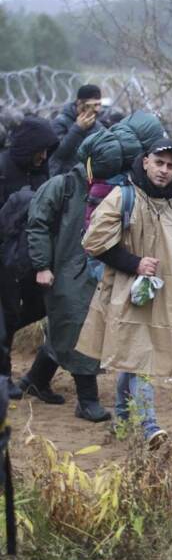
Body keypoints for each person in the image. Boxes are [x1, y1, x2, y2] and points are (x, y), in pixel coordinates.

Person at [77, 142, 172, 449]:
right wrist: (134, 263)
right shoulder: (123, 197)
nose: (164, 170)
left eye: (170, 166)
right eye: (159, 162)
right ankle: (149, 425)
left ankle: (122, 421)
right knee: (141, 355)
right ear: (145, 161)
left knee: (135, 355)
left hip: (168, 295)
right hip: (129, 292)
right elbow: (93, 241)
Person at [22, 140, 117, 421]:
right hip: (62, 270)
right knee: (78, 326)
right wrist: (41, 265)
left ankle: (35, 380)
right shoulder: (62, 186)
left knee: (64, 327)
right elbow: (37, 224)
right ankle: (88, 401)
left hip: (88, 270)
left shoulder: (108, 188)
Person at [0, 116, 56, 399]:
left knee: (40, 305)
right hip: (4, 256)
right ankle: (4, 377)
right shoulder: (3, 167)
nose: (44, 157)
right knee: (6, 313)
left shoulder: (41, 170)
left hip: (31, 256)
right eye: (40, 150)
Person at [50, 85, 105, 176]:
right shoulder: (60, 122)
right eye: (92, 105)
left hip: (88, 178)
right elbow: (57, 154)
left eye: (99, 105)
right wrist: (78, 129)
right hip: (64, 178)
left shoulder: (98, 126)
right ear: (79, 103)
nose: (97, 110)